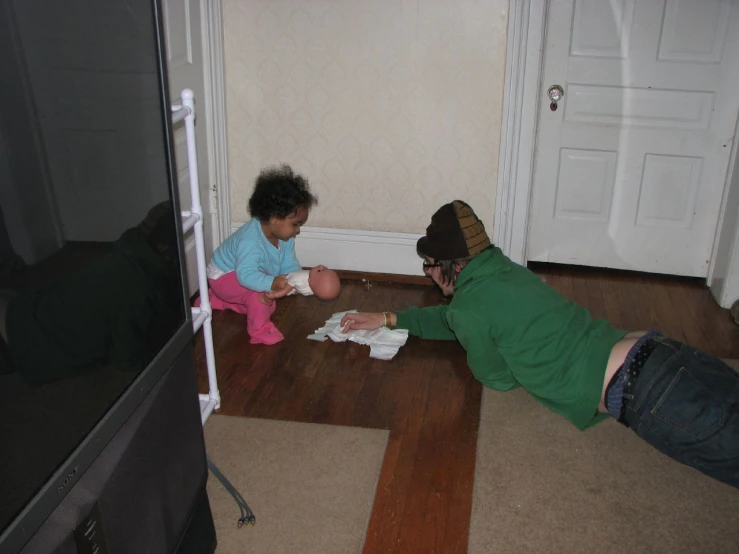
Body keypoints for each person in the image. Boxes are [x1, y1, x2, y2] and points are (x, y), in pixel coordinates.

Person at [341, 199, 739, 489]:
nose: (428, 274)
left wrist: (510, 357)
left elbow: (495, 377)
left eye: (429, 265)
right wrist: (392, 318)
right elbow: (456, 319)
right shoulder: (504, 272)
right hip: (661, 353)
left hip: (646, 392)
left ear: (453, 265)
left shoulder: (470, 309)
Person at [202, 164, 318, 345]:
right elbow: (246, 275)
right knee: (261, 298)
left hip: (237, 275)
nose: (298, 230)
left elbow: (288, 262)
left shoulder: (284, 238)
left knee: (266, 296)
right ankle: (259, 330)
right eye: (295, 224)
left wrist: (295, 277)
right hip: (222, 277)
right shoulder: (250, 242)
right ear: (274, 218)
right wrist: (271, 283)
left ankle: (217, 300)